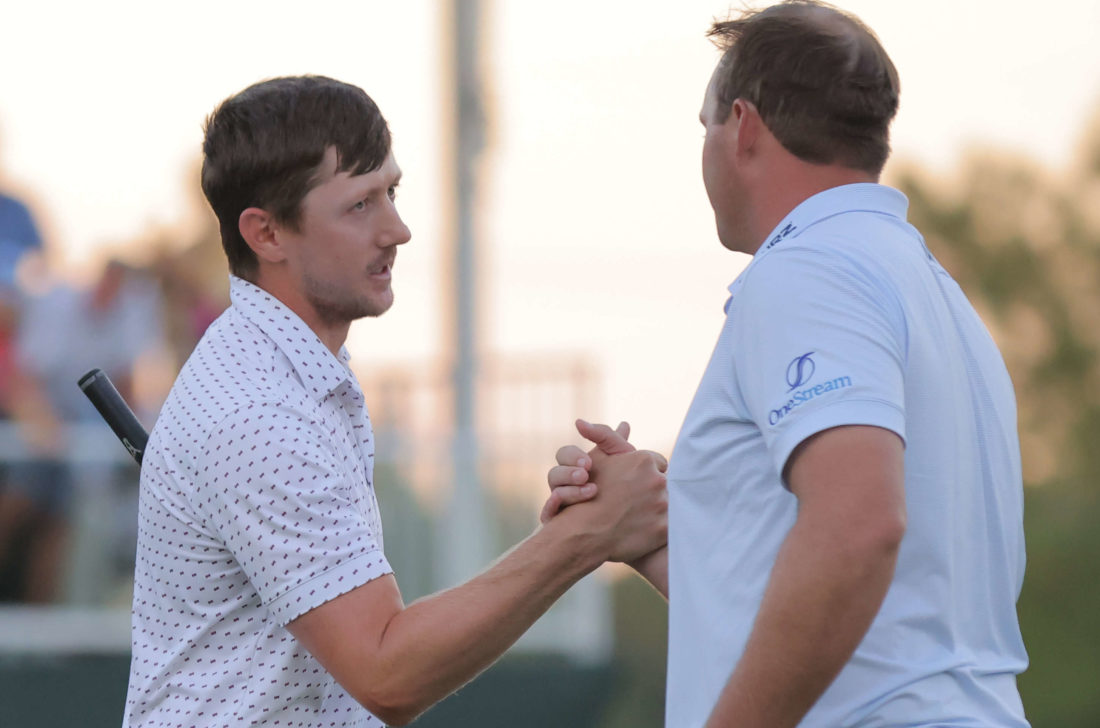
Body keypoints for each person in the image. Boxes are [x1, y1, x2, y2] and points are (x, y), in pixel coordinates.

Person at [122, 75, 668, 728]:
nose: (397, 230)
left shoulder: (293, 376)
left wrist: (573, 537)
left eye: (392, 193)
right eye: (359, 206)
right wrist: (583, 538)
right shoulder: (258, 415)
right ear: (266, 235)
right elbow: (388, 670)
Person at [547, 2, 1030, 726]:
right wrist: (650, 536)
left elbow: (858, 529)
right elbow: (877, 607)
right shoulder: (929, 288)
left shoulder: (809, 271)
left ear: (742, 126)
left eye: (705, 124)